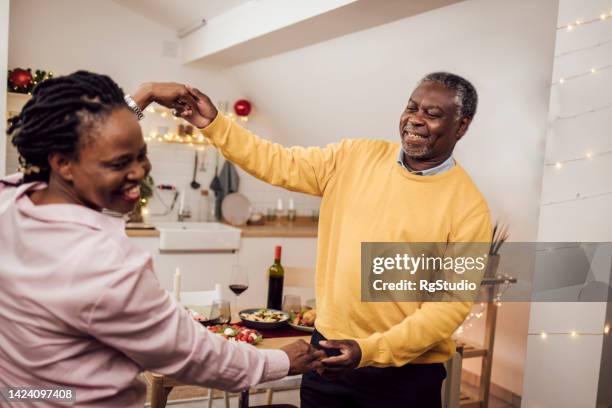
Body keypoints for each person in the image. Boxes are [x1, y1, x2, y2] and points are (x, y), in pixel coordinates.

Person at [166, 72, 492, 407]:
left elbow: (448, 308)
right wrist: (215, 124)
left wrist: (369, 351)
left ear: (462, 125)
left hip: (406, 377)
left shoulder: (470, 208)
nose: (415, 120)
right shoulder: (354, 157)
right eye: (412, 107)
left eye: (432, 114)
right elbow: (277, 161)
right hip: (329, 357)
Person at [0, 71, 324, 407]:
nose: (140, 172)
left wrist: (146, 94)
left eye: (140, 154)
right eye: (119, 162)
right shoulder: (104, 264)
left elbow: (92, 135)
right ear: (63, 164)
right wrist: (281, 361)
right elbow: (191, 354)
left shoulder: (10, 199)